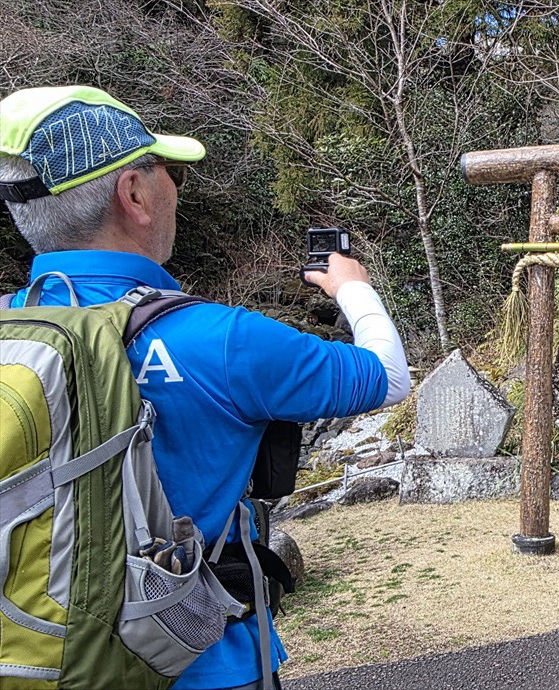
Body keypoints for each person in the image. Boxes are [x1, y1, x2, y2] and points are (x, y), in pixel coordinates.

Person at [0, 85, 411, 690]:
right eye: (169, 173)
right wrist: (351, 284)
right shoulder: (220, 339)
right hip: (201, 664)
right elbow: (389, 375)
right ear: (133, 193)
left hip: (36, 659)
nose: (175, 188)